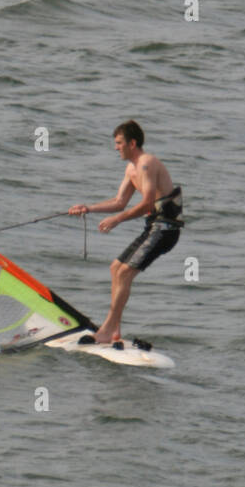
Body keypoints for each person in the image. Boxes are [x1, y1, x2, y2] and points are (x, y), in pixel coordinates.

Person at [68, 121, 183, 344]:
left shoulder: (146, 164)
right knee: (115, 268)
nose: (116, 148)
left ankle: (107, 329)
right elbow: (120, 202)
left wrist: (117, 220)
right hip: (153, 228)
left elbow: (148, 203)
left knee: (124, 273)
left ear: (132, 143)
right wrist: (88, 208)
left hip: (166, 229)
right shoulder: (131, 168)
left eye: (119, 143)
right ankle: (114, 329)